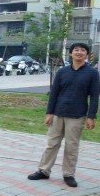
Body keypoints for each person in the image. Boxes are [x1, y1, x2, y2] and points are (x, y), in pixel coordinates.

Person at [28, 43, 100, 187]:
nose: (79, 52)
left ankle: (68, 174)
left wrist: (91, 116)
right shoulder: (62, 72)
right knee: (51, 144)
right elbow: (54, 93)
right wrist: (49, 113)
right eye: (76, 50)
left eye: (83, 50)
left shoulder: (92, 73)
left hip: (77, 115)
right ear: (71, 53)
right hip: (58, 113)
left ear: (87, 54)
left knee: (71, 146)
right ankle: (44, 171)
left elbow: (94, 96)